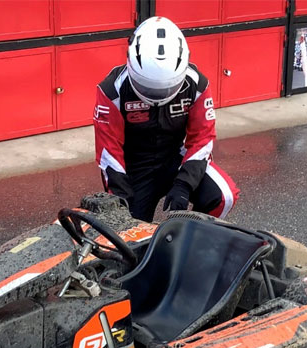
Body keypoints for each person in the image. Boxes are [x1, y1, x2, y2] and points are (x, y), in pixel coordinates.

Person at [93, 16, 239, 223]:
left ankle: (188, 242)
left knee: (224, 197)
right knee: (126, 233)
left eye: (167, 88)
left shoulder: (196, 84)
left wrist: (184, 184)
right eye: (147, 87)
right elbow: (109, 153)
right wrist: (121, 201)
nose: (157, 96)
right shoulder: (112, 91)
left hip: (174, 157)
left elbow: (202, 138)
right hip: (133, 167)